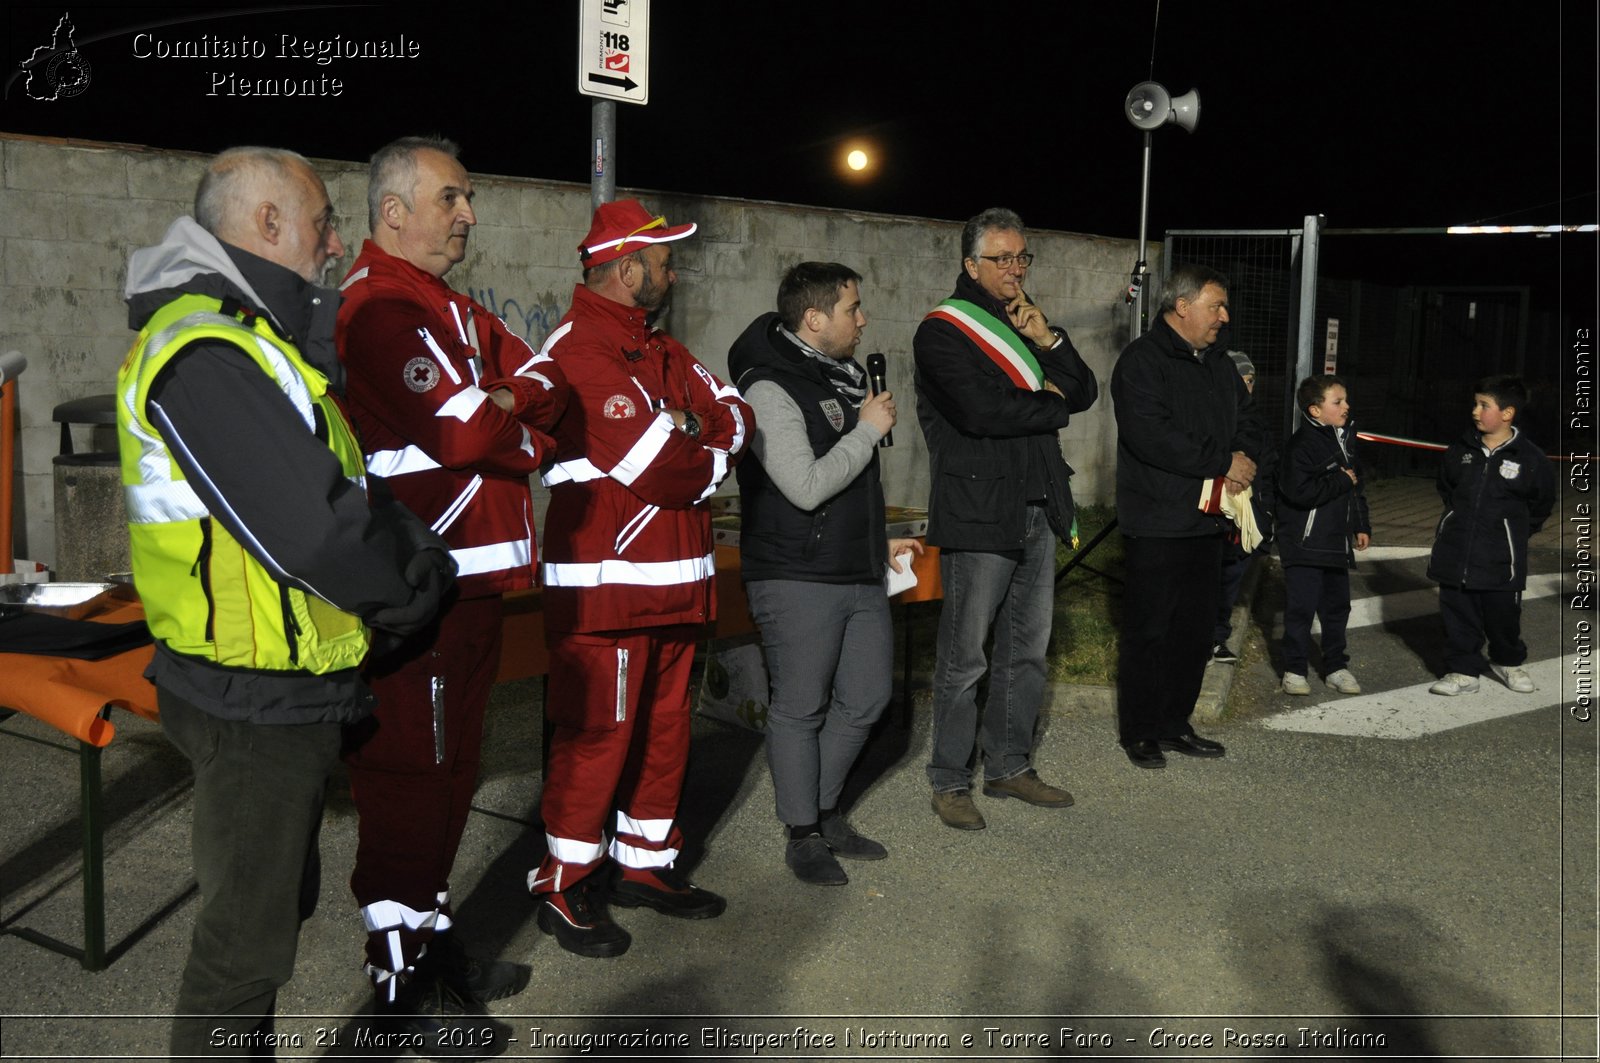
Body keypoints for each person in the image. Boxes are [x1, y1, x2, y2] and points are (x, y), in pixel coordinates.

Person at [115, 147, 452, 1056]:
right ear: (267, 224)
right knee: (245, 949)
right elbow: (313, 531)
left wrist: (403, 543)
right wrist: (411, 586)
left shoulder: (249, 337)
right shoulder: (206, 349)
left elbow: (337, 490)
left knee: (267, 917)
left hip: (279, 688)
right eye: (322, 221)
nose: (335, 242)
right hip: (250, 699)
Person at [336, 137, 568, 1018]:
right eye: (452, 199)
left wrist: (513, 413)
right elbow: (470, 434)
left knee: (453, 770)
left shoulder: (451, 308)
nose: (469, 214)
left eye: (469, 198)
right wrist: (521, 428)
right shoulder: (381, 311)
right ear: (394, 212)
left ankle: (434, 947)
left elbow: (545, 383)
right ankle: (400, 986)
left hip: (472, 587)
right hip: (418, 589)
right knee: (409, 779)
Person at [530, 199, 753, 956]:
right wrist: (700, 447)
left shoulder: (660, 347)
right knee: (597, 741)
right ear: (628, 267)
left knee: (664, 733)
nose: (673, 271)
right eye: (663, 261)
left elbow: (734, 412)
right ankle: (563, 884)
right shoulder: (578, 349)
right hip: (609, 592)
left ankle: (645, 865)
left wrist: (699, 437)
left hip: (676, 584)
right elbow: (660, 465)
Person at [728, 262, 923, 884]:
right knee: (800, 707)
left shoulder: (836, 378)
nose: (862, 320)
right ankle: (803, 831)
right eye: (852, 309)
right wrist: (867, 431)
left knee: (867, 698)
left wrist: (882, 537)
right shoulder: (768, 387)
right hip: (795, 574)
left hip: (857, 567)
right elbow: (805, 488)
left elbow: (852, 481)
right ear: (814, 319)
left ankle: (821, 805)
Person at [913, 207, 1098, 830]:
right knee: (966, 656)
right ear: (971, 265)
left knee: (1028, 650)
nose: (1016, 270)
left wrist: (1049, 341)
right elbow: (979, 411)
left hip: (1038, 503)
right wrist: (1049, 404)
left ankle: (1010, 766)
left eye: (1023, 258)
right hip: (980, 509)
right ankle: (949, 778)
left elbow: (1085, 388)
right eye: (1003, 259)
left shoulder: (1024, 322)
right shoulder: (942, 331)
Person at [1111, 263, 1262, 769]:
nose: (1224, 316)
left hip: (1208, 521)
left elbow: (1246, 421)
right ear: (1182, 306)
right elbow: (1152, 435)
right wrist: (1222, 461)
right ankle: (1141, 731)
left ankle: (1176, 723)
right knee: (1150, 629)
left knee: (1195, 632)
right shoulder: (1142, 361)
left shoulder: (1218, 362)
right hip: (1158, 520)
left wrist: (1243, 457)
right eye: (1215, 306)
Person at [1425, 375, 1555, 695]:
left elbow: (1541, 503)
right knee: (1458, 611)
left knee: (1502, 614)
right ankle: (1462, 670)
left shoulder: (1530, 458)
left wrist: (1514, 532)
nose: (1475, 410)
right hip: (1457, 551)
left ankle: (1507, 662)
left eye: (1484, 405)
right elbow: (1447, 488)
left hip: (1501, 556)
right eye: (1476, 403)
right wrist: (1458, 520)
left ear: (1507, 413)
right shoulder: (1461, 449)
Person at [1274, 375, 1371, 696]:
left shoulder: (1346, 441)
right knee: (1301, 609)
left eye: (1345, 400)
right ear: (1315, 410)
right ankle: (1294, 669)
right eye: (1338, 401)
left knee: (1336, 608)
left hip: (1335, 543)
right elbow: (1298, 491)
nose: (1346, 406)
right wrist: (1340, 481)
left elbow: (1356, 489)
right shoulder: (1302, 445)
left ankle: (1336, 667)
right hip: (1304, 543)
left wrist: (1360, 525)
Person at [1210, 351, 1274, 663]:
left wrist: (1268, 514)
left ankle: (1218, 637)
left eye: (1248, 381)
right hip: (1212, 515)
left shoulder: (1256, 424)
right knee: (1207, 578)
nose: (1244, 387)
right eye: (1238, 380)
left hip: (1246, 519)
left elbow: (1268, 470)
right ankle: (1202, 637)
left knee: (1231, 577)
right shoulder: (1210, 418)